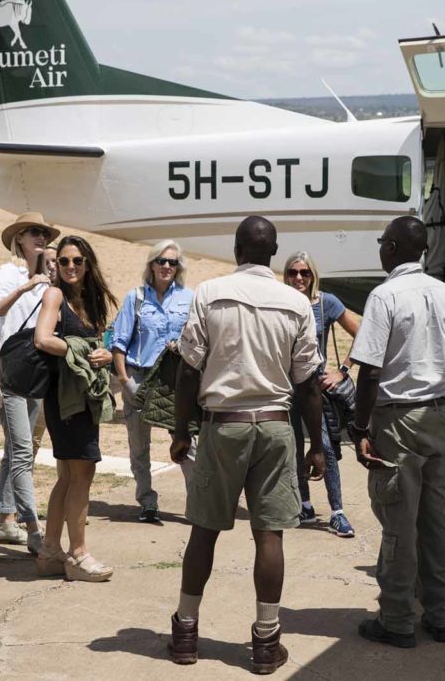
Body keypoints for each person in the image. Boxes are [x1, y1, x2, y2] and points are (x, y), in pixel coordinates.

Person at [167, 216, 325, 674]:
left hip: (223, 426)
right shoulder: (296, 302)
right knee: (269, 534)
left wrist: (181, 430)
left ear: (236, 249)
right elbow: (308, 383)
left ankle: (186, 633)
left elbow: (188, 370)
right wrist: (317, 445)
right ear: (274, 253)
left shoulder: (209, 293)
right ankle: (266, 642)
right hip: (275, 427)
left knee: (204, 529)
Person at [348, 216, 445, 647]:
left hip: (399, 420)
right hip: (439, 414)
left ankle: (396, 618)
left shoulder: (385, 296)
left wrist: (360, 427)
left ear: (392, 248)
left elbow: (370, 371)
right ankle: (441, 614)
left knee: (398, 523)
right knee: (435, 521)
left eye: (383, 242)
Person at [34, 235, 119, 582]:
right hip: (66, 398)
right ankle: (78, 555)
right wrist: (81, 350)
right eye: (64, 261)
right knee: (82, 474)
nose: (70, 266)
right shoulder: (54, 296)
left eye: (77, 261)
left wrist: (105, 353)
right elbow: (42, 338)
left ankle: (50, 551)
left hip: (84, 396)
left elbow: (100, 341)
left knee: (69, 476)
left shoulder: (92, 300)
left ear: (88, 264)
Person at [0, 213, 59, 554]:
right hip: (12, 368)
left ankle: (5, 519)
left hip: (39, 369)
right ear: (19, 239)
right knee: (22, 449)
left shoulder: (51, 280)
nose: (40, 237)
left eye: (44, 233)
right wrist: (25, 287)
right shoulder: (8, 273)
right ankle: (32, 527)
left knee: (18, 448)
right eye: (33, 232)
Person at [111, 239, 194, 523]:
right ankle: (147, 502)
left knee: (187, 443)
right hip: (139, 377)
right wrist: (125, 380)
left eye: (172, 262)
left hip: (174, 381)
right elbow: (119, 343)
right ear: (152, 264)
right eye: (162, 261)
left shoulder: (189, 298)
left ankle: (196, 503)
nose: (167, 266)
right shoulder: (135, 298)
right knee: (139, 447)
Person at [282, 251, 360, 537]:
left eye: (305, 272)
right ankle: (304, 505)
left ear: (313, 275)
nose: (299, 278)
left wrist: (342, 370)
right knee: (291, 447)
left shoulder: (326, 302)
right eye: (293, 272)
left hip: (314, 388)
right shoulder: (279, 301)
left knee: (324, 447)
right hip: (284, 388)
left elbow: (362, 334)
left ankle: (337, 512)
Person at [31, 242, 59, 460]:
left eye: (55, 261)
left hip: (64, 377)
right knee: (32, 439)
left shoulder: (75, 293)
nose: (51, 266)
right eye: (46, 262)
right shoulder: (35, 293)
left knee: (66, 444)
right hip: (39, 375)